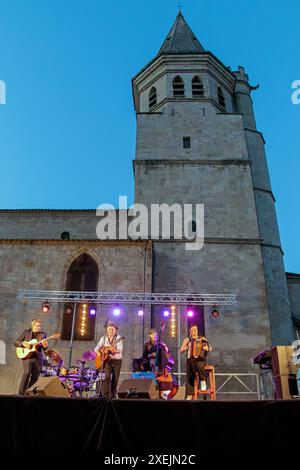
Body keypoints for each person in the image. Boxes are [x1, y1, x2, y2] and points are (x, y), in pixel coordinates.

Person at [14, 319, 48, 395]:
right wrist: (23, 344)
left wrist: (45, 346)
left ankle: (28, 393)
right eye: (37, 326)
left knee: (35, 376)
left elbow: (44, 348)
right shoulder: (26, 332)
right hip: (27, 356)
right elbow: (16, 342)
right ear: (33, 325)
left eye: (40, 326)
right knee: (27, 373)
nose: (39, 327)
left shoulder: (42, 335)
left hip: (37, 357)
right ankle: (21, 393)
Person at [180, 325, 212, 400]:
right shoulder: (187, 340)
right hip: (191, 361)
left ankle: (203, 380)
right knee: (189, 373)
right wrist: (185, 348)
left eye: (195, 330)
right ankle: (189, 395)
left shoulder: (202, 339)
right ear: (190, 331)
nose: (194, 331)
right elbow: (181, 350)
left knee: (198, 363)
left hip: (200, 360)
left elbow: (210, 348)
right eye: (192, 330)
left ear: (197, 331)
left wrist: (206, 348)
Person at [95, 320, 123, 399]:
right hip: (107, 360)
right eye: (109, 329)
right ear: (107, 330)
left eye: (112, 329)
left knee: (115, 378)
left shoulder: (118, 338)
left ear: (115, 330)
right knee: (107, 377)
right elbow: (96, 349)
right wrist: (100, 353)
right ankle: (105, 395)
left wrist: (114, 351)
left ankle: (113, 395)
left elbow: (120, 350)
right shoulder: (103, 338)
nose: (111, 331)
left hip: (117, 360)